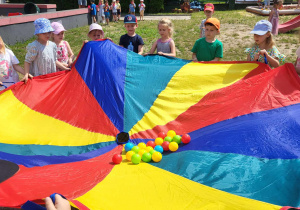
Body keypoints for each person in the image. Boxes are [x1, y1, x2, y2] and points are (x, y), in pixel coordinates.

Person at [22, 18, 70, 83]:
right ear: (38, 34)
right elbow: (27, 61)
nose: (48, 35)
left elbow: (54, 60)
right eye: (44, 33)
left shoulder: (52, 45)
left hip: (51, 76)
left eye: (49, 32)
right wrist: (26, 74)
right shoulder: (34, 46)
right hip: (38, 78)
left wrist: (65, 69)